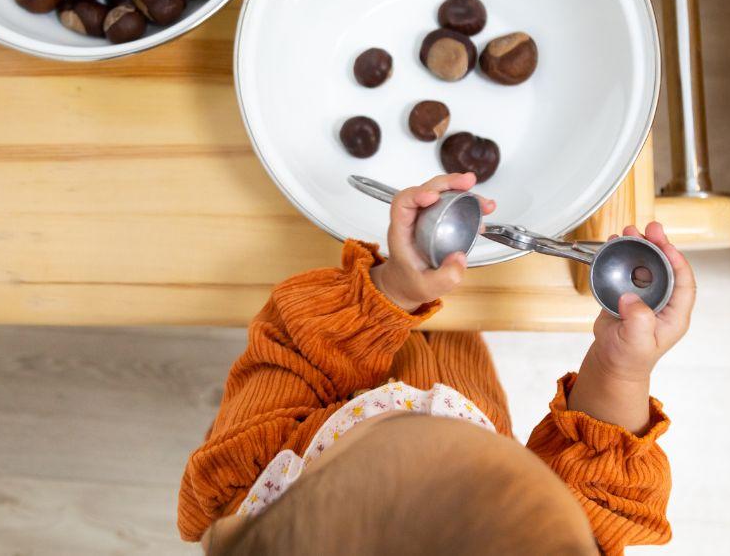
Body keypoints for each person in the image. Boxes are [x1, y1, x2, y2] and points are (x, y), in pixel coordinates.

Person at [177, 172, 695, 555]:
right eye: (484, 438)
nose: (428, 403)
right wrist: (619, 369)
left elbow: (294, 342)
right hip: (456, 346)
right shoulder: (537, 539)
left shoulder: (253, 466)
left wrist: (391, 288)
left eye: (390, 420)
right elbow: (595, 485)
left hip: (339, 341)